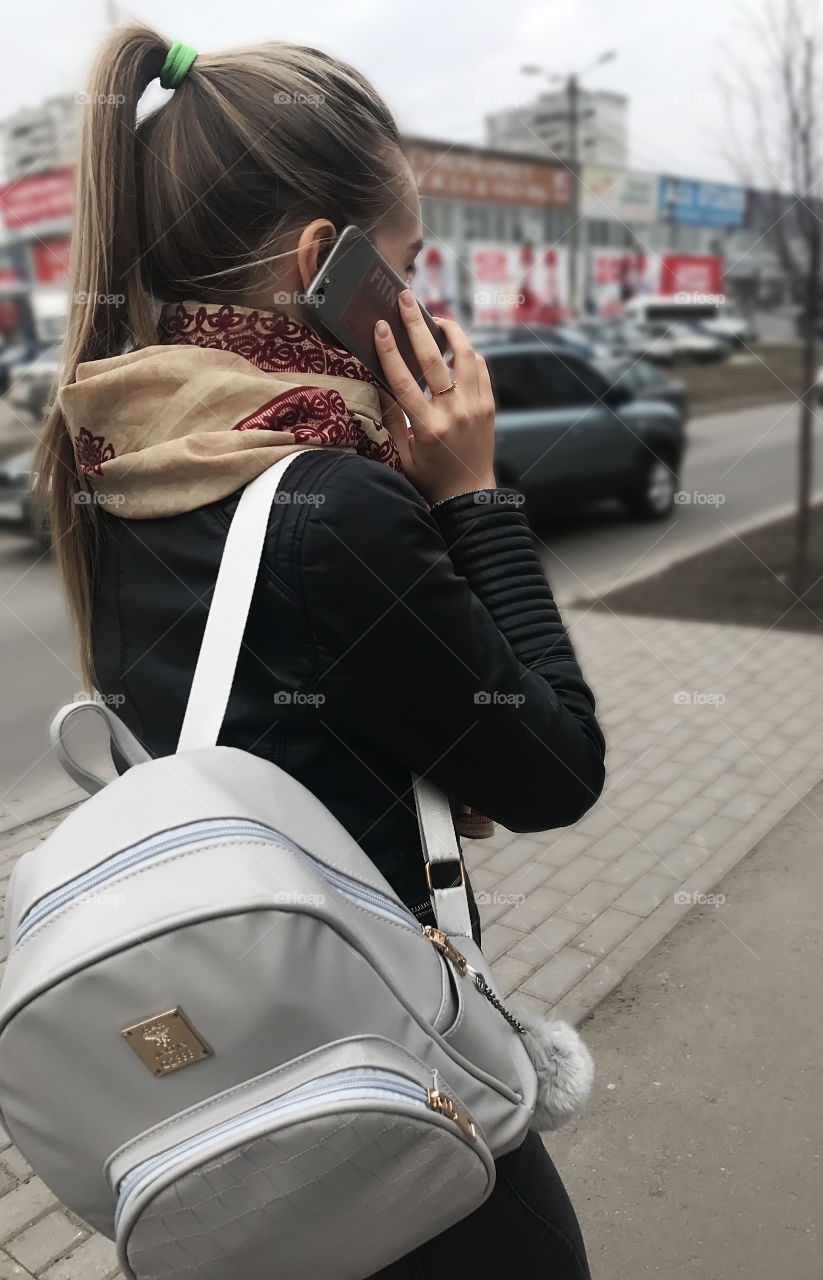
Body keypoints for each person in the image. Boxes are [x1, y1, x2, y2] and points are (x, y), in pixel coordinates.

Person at [37, 24, 605, 1280]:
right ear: (321, 262)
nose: (417, 300)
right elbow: (558, 767)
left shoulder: (116, 452)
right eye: (403, 266)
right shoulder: (337, 503)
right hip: (385, 1064)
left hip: (227, 1084)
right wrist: (472, 495)